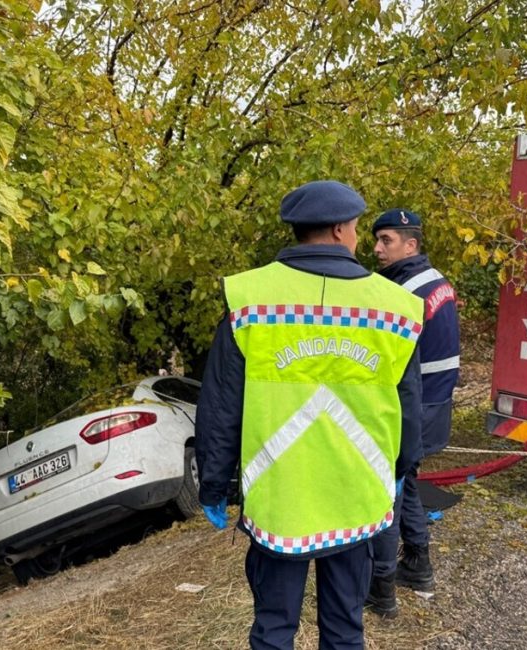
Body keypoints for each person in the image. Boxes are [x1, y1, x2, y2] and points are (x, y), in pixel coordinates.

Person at [195, 180, 424, 649]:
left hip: (281, 499)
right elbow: (409, 404)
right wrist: (403, 469)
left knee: (273, 628)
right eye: (360, 229)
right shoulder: (397, 309)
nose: (361, 238)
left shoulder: (250, 299)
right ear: (340, 230)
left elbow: (220, 405)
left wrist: (213, 486)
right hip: (355, 497)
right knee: (344, 630)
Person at [365, 208, 460, 618]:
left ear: (411, 244)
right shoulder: (435, 282)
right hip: (433, 403)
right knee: (406, 480)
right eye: (376, 240)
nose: (376, 248)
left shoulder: (404, 292)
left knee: (389, 491)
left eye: (386, 240)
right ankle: (418, 564)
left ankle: (381, 588)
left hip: (412, 405)